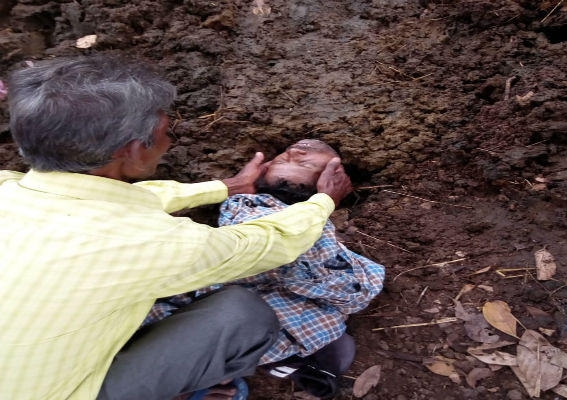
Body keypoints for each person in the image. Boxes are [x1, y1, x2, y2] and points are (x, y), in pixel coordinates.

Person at [0, 55, 352, 400]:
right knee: (242, 316)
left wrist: (226, 187)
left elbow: (114, 200)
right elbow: (265, 243)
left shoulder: (7, 186)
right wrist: (323, 202)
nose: (170, 141)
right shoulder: (153, 243)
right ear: (134, 150)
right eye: (167, 132)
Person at [144, 140, 385, 398]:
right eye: (283, 157)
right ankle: (213, 369)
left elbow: (347, 285)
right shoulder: (245, 206)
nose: (293, 151)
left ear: (330, 182)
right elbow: (262, 249)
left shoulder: (315, 229)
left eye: (304, 163)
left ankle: (215, 368)